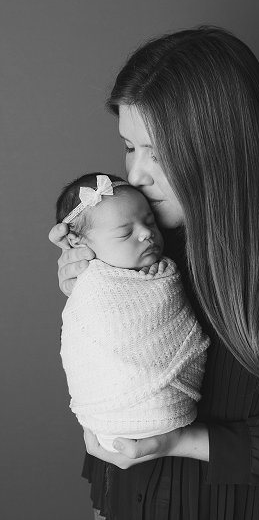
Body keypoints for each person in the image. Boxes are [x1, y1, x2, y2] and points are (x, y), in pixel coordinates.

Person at [48, 26, 259, 520]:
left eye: (160, 153)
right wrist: (95, 290)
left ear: (223, 146)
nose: (138, 175)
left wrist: (184, 441)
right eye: (129, 146)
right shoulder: (147, 236)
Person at [56, 173, 208, 454]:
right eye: (125, 233)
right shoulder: (94, 283)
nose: (147, 233)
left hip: (177, 411)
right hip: (114, 412)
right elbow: (88, 344)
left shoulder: (167, 265)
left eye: (150, 221)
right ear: (80, 243)